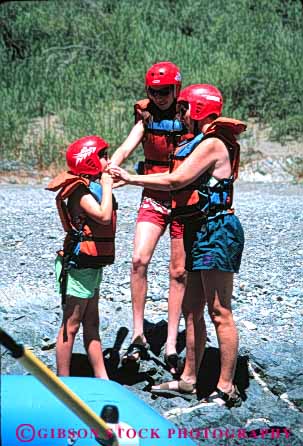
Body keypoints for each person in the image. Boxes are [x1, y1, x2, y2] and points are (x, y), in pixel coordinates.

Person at [109, 84, 246, 406]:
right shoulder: (200, 140)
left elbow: (175, 181)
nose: (180, 114)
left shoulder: (212, 142)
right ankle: (188, 379)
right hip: (200, 230)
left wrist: (131, 179)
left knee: (219, 311)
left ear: (197, 110)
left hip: (217, 231)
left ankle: (226, 387)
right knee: (191, 308)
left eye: (185, 109)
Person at [110, 61, 187, 375]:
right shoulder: (146, 116)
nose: (159, 97)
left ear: (176, 89)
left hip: (184, 201)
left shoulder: (188, 116)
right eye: (154, 92)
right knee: (139, 261)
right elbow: (126, 148)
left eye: (165, 91)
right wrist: (110, 169)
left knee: (178, 271)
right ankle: (139, 334)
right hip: (153, 196)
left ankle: (170, 343)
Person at [47, 135, 117, 379]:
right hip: (78, 267)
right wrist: (108, 185)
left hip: (91, 266)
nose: (108, 160)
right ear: (88, 162)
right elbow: (104, 216)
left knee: (92, 324)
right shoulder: (80, 193)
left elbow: (106, 192)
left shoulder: (92, 186)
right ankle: (63, 382)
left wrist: (112, 179)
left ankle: (102, 379)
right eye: (103, 156)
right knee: (71, 325)